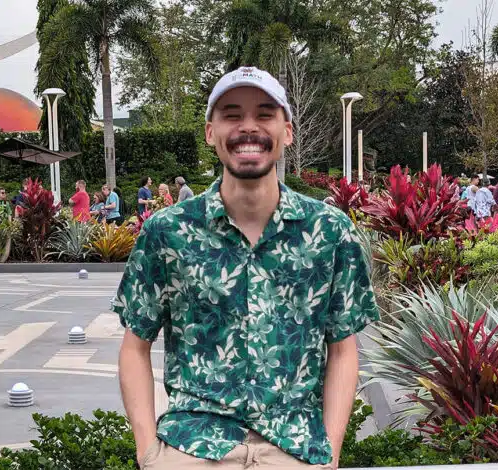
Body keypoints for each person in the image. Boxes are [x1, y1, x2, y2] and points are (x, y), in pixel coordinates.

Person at [115, 66, 379, 470]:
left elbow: (343, 349)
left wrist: (331, 453)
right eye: (232, 114)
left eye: (265, 114)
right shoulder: (167, 232)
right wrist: (148, 452)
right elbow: (136, 345)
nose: (248, 127)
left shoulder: (330, 232)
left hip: (295, 448)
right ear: (210, 133)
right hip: (191, 445)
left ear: (287, 131)